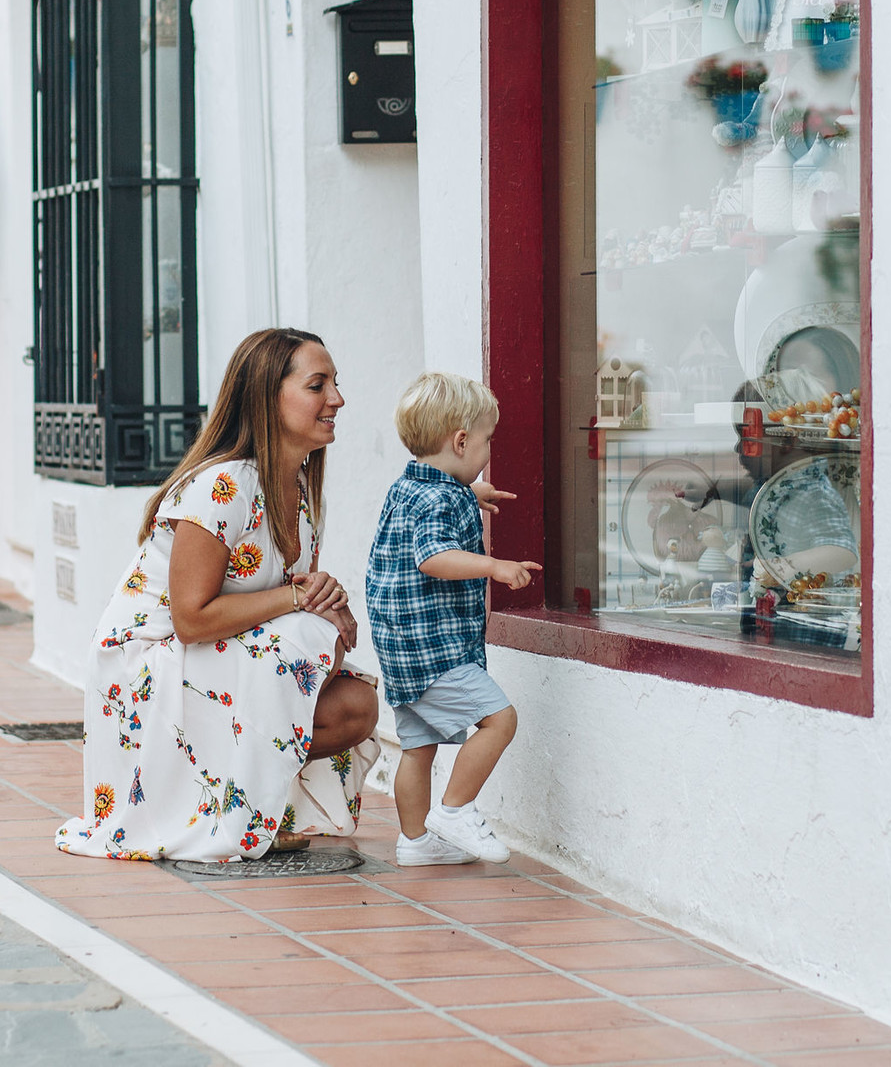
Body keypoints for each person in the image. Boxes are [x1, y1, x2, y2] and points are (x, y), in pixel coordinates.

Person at [54, 329, 379, 862]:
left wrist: (327, 602)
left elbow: (293, 610)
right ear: (266, 398)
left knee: (354, 707)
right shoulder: (222, 485)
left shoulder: (297, 489)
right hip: (146, 666)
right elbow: (191, 618)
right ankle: (224, 815)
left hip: (215, 658)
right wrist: (302, 604)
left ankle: (243, 806)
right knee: (305, 637)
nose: (337, 400)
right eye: (318, 385)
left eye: (335, 384)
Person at [366, 372, 539, 866]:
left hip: (402, 649)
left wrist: (472, 494)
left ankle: (416, 842)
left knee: (417, 747)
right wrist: (495, 567)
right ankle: (456, 810)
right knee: (500, 719)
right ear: (461, 441)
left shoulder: (413, 487)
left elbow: (427, 515)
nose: (488, 450)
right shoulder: (441, 499)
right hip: (435, 648)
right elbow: (434, 556)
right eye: (486, 440)